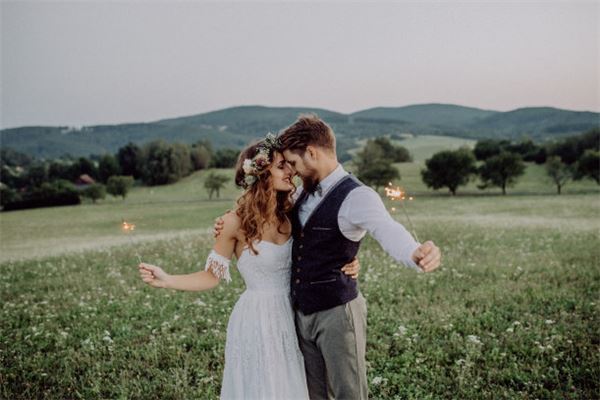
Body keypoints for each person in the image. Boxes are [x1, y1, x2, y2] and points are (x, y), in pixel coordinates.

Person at [214, 115, 442, 399]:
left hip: (337, 313)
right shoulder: (300, 194)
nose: (292, 172)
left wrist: (414, 252)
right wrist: (227, 222)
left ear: (311, 153)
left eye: (293, 163)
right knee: (313, 394)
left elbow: (387, 229)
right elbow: (275, 220)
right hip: (299, 314)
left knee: (349, 392)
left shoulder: (358, 196)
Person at [137, 133, 360, 400]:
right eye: (281, 166)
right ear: (261, 173)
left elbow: (321, 247)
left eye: (289, 165)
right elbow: (210, 277)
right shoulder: (234, 222)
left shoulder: (293, 214)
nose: (290, 171)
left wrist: (349, 260)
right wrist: (168, 279)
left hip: (293, 314)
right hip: (257, 320)